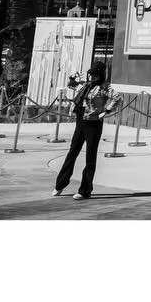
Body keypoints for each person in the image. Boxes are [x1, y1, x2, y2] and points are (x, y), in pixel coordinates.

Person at [53, 63, 121, 200]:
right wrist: (72, 78)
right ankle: (60, 185)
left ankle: (85, 190)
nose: (92, 76)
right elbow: (71, 85)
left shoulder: (104, 87)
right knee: (72, 152)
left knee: (90, 157)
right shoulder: (86, 84)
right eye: (91, 73)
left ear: (101, 74)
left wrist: (106, 111)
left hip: (93, 123)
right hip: (81, 121)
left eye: (95, 74)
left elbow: (118, 98)